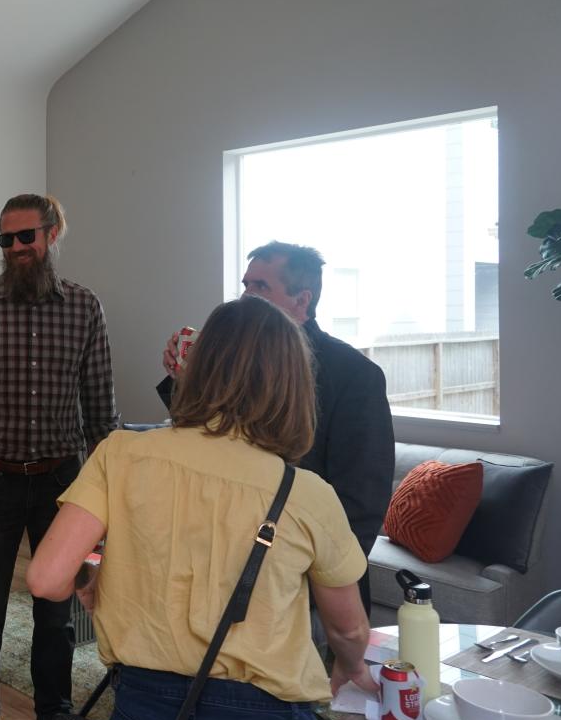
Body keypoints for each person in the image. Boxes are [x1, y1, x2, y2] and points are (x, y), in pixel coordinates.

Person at [28, 295, 377, 720]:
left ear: (199, 367)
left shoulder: (120, 454)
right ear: (292, 386)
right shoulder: (307, 493)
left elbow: (45, 579)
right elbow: (347, 630)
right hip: (268, 717)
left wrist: (92, 578)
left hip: (143, 706)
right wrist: (350, 667)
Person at [0, 193, 119, 720]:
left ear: (52, 234)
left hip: (63, 483)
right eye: (6, 239)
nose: (16, 248)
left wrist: (103, 494)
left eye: (26, 237)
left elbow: (101, 411)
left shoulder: (84, 306)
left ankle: (54, 719)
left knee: (56, 613)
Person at [157, 241, 394, 612]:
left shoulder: (354, 376)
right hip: (225, 566)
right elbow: (197, 434)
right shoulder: (232, 360)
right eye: (246, 284)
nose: (247, 296)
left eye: (261, 287)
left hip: (306, 585)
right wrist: (185, 377)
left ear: (302, 300)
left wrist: (314, 581)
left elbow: (362, 503)